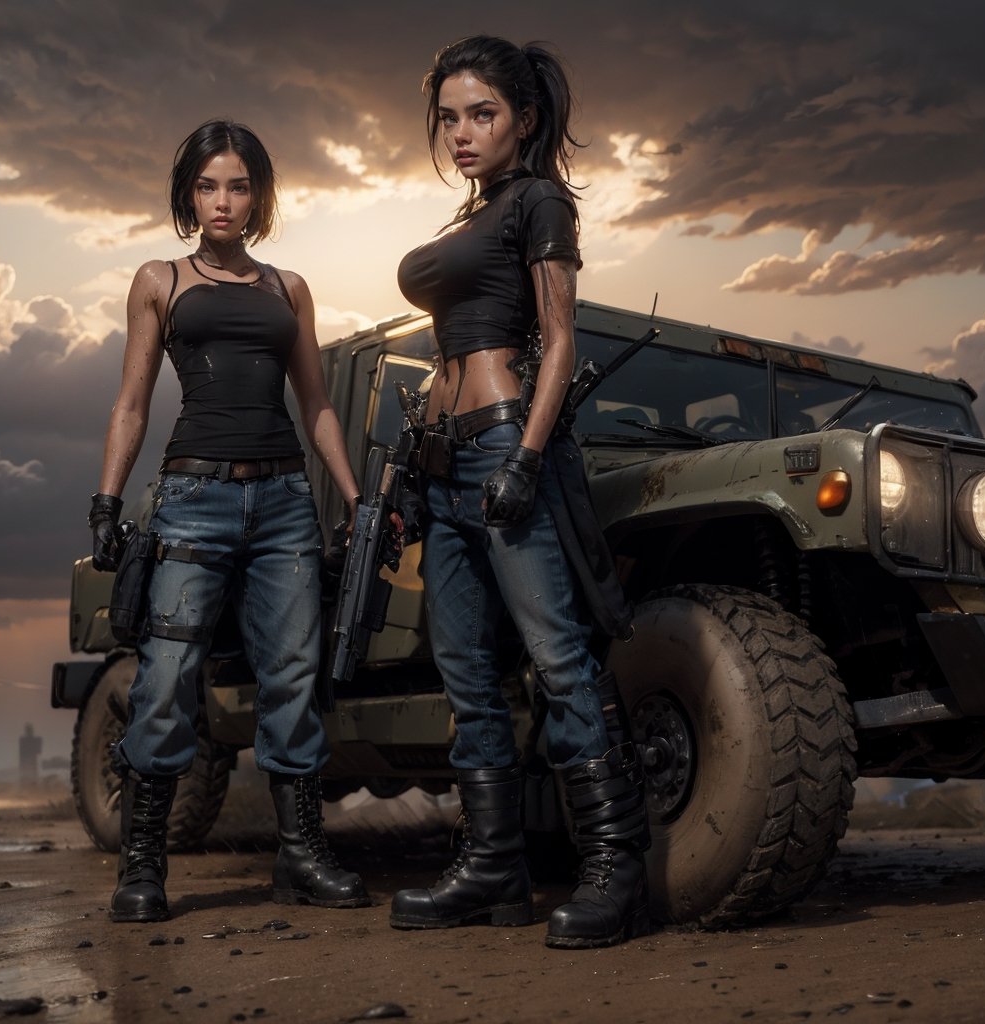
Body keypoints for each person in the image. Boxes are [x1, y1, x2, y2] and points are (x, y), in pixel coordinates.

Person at [388, 35, 651, 950]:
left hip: (504, 446)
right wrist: (423, 465)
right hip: (443, 462)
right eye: (450, 117)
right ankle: (493, 866)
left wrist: (527, 459)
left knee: (560, 658)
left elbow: (561, 340)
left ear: (524, 120)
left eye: (482, 114)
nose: (462, 132)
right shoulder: (472, 216)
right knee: (467, 671)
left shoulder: (539, 201)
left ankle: (618, 872)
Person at [88, 119, 369, 923]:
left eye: (239, 185)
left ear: (259, 196)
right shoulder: (160, 280)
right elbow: (133, 401)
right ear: (187, 194)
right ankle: (143, 866)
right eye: (208, 185)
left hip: (284, 503)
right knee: (169, 680)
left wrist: (351, 497)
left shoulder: (289, 289)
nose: (224, 200)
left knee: (292, 677)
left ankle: (303, 856)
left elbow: (314, 403)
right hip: (193, 499)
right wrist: (107, 499)